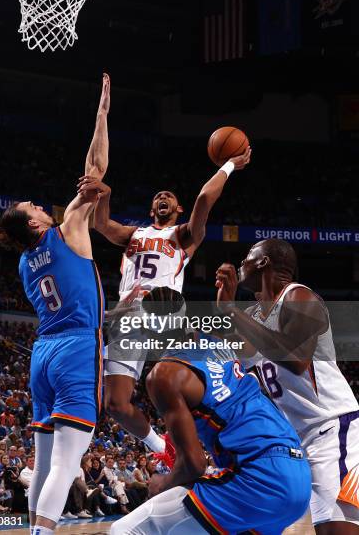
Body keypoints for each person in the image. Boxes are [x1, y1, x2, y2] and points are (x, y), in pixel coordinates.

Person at [77, 147, 251, 459]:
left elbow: (204, 200)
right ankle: (163, 447)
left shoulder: (183, 235)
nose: (162, 198)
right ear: (151, 207)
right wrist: (104, 194)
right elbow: (101, 224)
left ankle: (230, 441)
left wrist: (229, 165)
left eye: (168, 196)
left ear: (178, 208)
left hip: (164, 313)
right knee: (115, 404)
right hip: (129, 316)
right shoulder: (134, 233)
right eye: (158, 195)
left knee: (197, 382)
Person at [0, 73, 111, 535]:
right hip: (76, 347)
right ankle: (44, 532)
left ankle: (32, 531)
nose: (41, 204)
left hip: (42, 354)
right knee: (68, 460)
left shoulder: (25, 264)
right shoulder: (67, 232)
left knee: (43, 463)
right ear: (36, 223)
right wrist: (102, 115)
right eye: (34, 206)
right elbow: (96, 171)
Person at [111, 286, 311, 535]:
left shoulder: (164, 375)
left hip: (257, 476)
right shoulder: (216, 341)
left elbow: (193, 465)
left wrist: (163, 482)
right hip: (297, 470)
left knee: (124, 530)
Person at [215, 238, 359, 534]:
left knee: (336, 529)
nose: (242, 263)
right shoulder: (255, 315)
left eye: (247, 256)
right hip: (291, 439)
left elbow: (295, 359)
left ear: (264, 262)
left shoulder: (299, 297)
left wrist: (231, 310)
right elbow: (238, 354)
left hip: (331, 429)